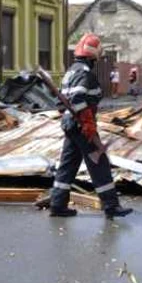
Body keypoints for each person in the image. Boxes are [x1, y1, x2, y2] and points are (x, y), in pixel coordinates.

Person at [50, 32, 133, 219]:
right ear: (94, 55)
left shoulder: (70, 72)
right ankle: (111, 206)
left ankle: (57, 204)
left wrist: (72, 118)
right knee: (99, 162)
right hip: (81, 125)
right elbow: (78, 100)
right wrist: (87, 123)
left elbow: (61, 103)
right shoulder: (84, 74)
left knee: (68, 164)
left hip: (71, 124)